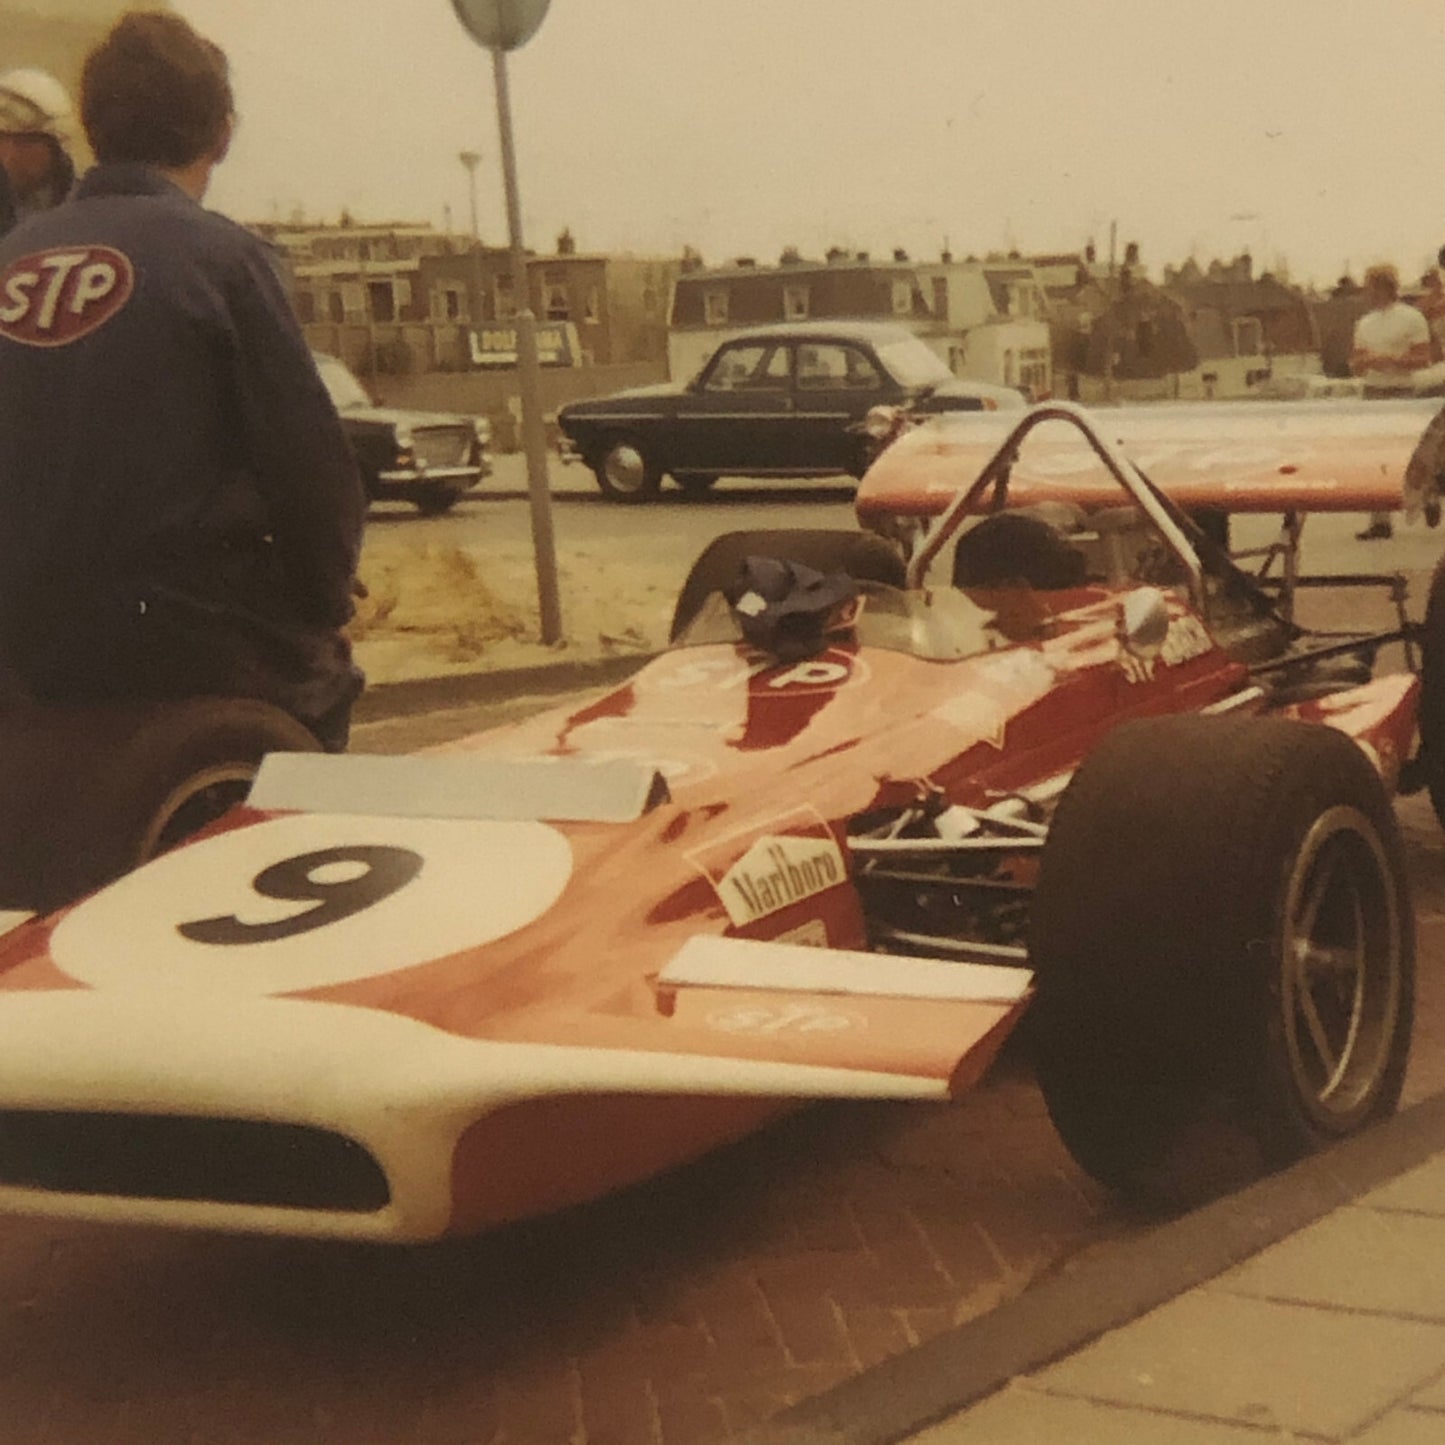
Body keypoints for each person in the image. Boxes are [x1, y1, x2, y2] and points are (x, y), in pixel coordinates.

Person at [0, 11, 365, 748]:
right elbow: (310, 471)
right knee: (324, 681)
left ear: (95, 129)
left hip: (25, 636)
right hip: (181, 638)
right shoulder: (224, 261)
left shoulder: (12, 254)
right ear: (221, 133)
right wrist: (323, 595)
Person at [1350, 263, 1431, 540]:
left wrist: (1390, 360)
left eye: (1371, 287)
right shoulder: (1364, 323)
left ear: (1384, 287)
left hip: (1401, 392)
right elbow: (1357, 363)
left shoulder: (1411, 318)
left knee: (1410, 455)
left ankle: (1428, 496)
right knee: (1375, 458)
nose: (1367, 293)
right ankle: (1380, 521)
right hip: (1373, 392)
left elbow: (1423, 358)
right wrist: (1363, 364)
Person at [0, 67, 76, 237]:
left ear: (57, 148)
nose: (8, 157)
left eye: (25, 143)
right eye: (1, 140)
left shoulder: (84, 215)